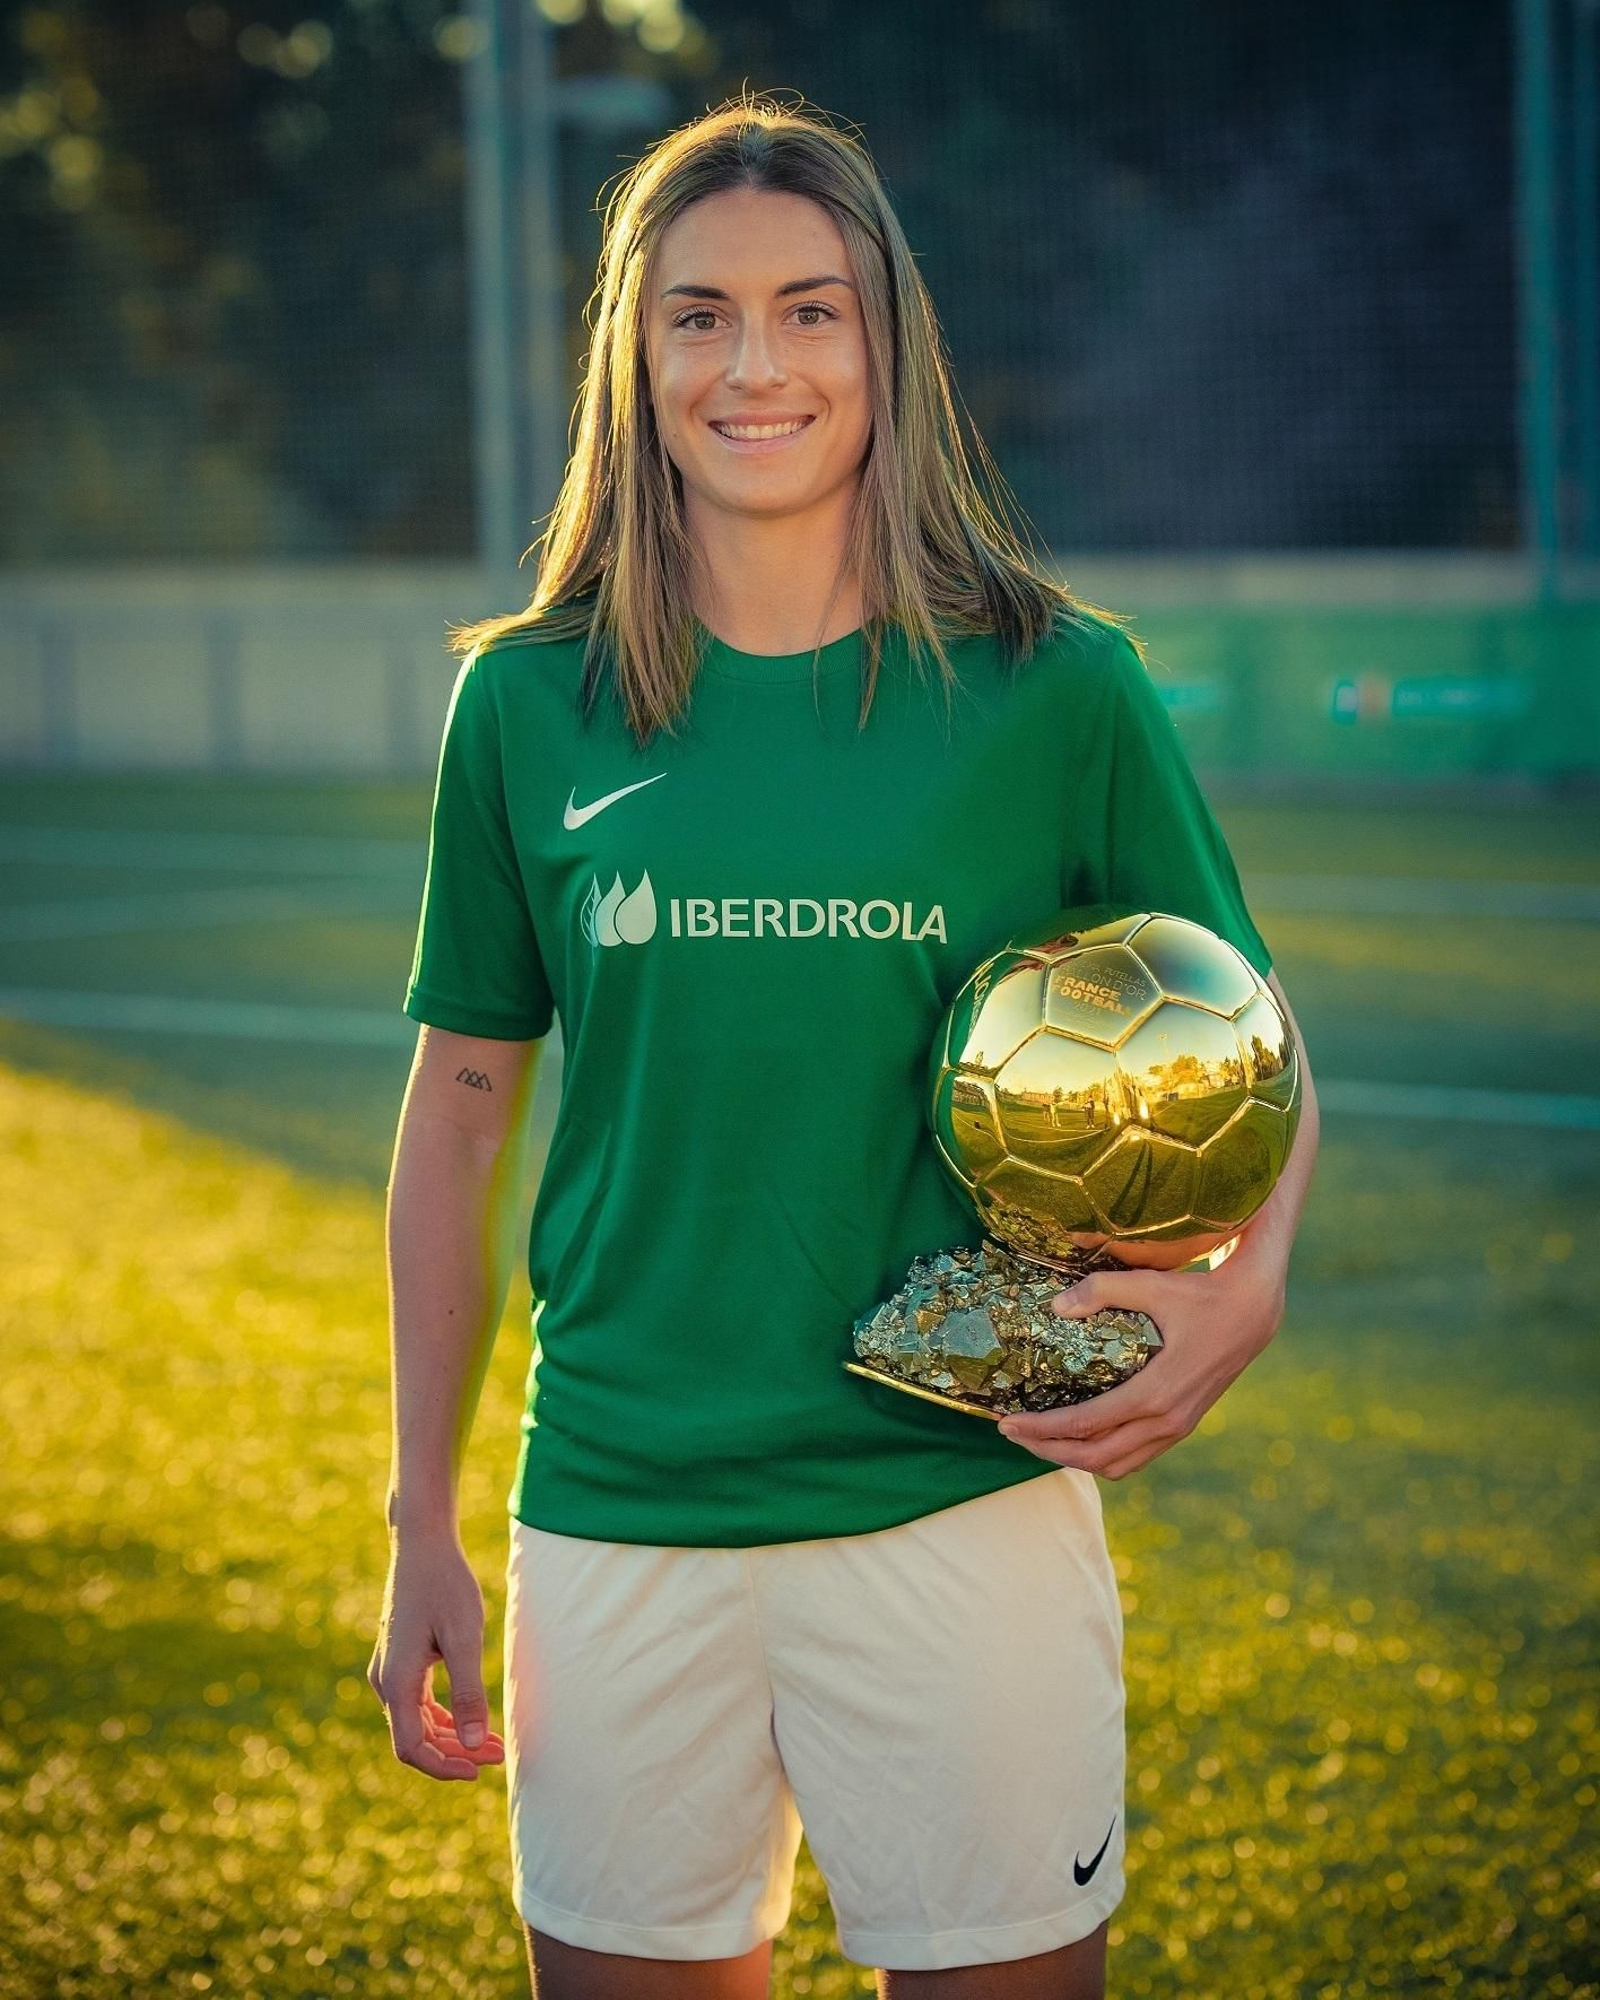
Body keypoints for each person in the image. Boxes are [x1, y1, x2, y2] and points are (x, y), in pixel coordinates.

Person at [367, 89, 1320, 2000]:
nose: (757, 366)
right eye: (700, 314)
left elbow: (1253, 1043)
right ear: (636, 358)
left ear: (886, 341)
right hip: (623, 1514)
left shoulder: (1053, 681)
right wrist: (419, 1518)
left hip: (954, 1504)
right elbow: (460, 1117)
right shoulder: (530, 703)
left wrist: (1248, 1286)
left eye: (812, 309)